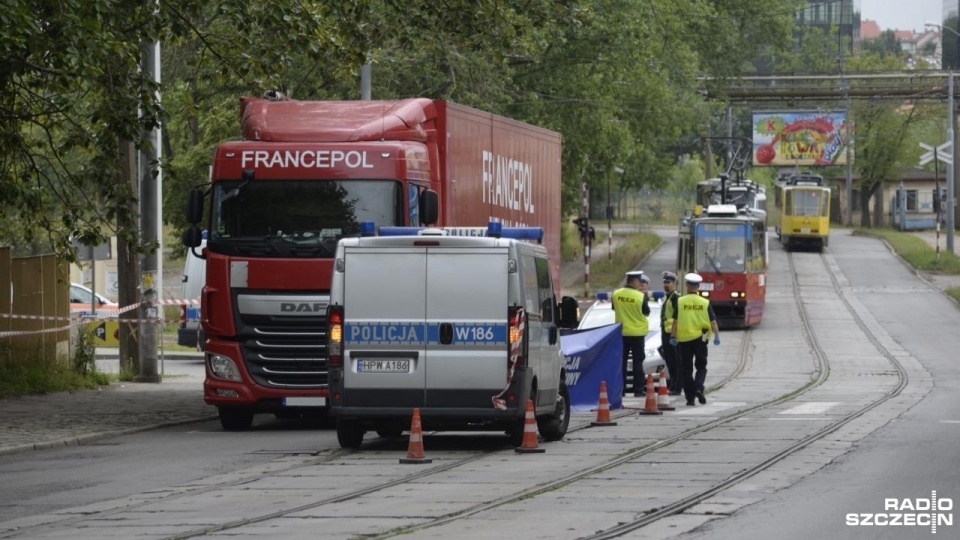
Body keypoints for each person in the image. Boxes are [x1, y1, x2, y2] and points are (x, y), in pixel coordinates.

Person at [669, 273, 720, 407]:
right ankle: (698, 387)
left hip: (684, 340)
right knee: (701, 366)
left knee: (686, 369)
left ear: (687, 286)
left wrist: (673, 337)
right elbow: (713, 322)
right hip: (701, 340)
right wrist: (717, 337)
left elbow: (675, 322)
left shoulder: (680, 302)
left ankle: (690, 399)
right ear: (698, 287)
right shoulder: (705, 302)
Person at [612, 270, 650, 397]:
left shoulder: (616, 294)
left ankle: (621, 390)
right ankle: (638, 390)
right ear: (633, 281)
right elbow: (646, 312)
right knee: (637, 362)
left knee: (621, 362)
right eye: (639, 281)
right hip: (637, 334)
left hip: (622, 333)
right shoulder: (640, 296)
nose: (640, 284)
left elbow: (614, 308)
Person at [659, 271, 682, 395]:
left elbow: (677, 318)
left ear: (674, 284)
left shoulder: (675, 297)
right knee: (670, 361)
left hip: (672, 334)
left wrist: (674, 335)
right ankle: (673, 385)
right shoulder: (668, 297)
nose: (666, 285)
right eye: (664, 283)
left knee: (675, 362)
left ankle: (677, 387)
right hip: (666, 333)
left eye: (668, 283)